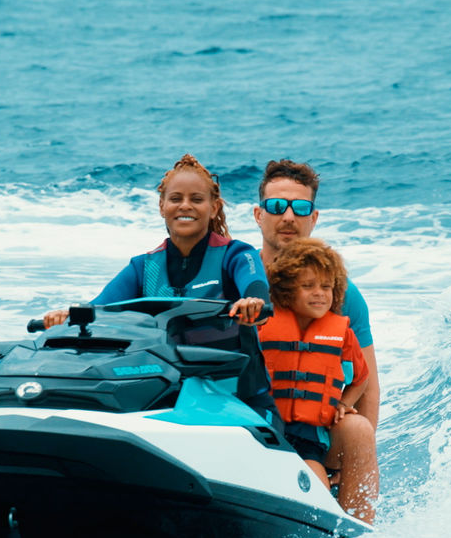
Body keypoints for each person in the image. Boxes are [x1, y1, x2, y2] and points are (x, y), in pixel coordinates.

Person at [43, 153, 277, 421]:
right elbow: (99, 308)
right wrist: (66, 317)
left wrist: (254, 302)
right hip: (168, 395)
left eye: (196, 199)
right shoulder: (144, 267)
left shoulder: (235, 255)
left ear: (213, 207)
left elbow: (255, 284)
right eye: (176, 199)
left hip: (238, 397)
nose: (185, 206)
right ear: (162, 206)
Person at [253, 159, 380, 519]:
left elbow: (367, 382)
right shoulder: (239, 277)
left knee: (357, 429)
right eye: (277, 206)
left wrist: (352, 455)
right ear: (259, 215)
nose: (289, 216)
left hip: (310, 429)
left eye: (301, 207)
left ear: (315, 217)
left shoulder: (341, 294)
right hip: (251, 417)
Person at [261, 238, 376, 523]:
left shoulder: (342, 333)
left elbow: (361, 379)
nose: (319, 294)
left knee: (317, 492)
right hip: (264, 431)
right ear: (286, 290)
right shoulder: (262, 325)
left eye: (326, 287)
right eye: (308, 286)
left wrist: (344, 403)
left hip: (308, 439)